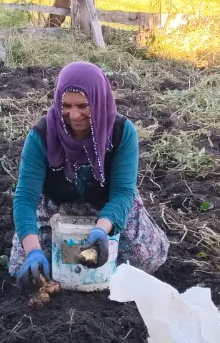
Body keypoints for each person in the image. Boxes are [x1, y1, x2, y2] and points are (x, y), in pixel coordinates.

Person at [10, 61, 169, 286]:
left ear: (99, 100)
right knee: (25, 269)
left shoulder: (122, 133)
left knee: (145, 259)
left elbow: (123, 192)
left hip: (107, 206)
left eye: (83, 105)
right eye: (66, 105)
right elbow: (25, 198)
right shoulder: (41, 135)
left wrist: (102, 231)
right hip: (57, 206)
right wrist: (33, 251)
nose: (74, 115)